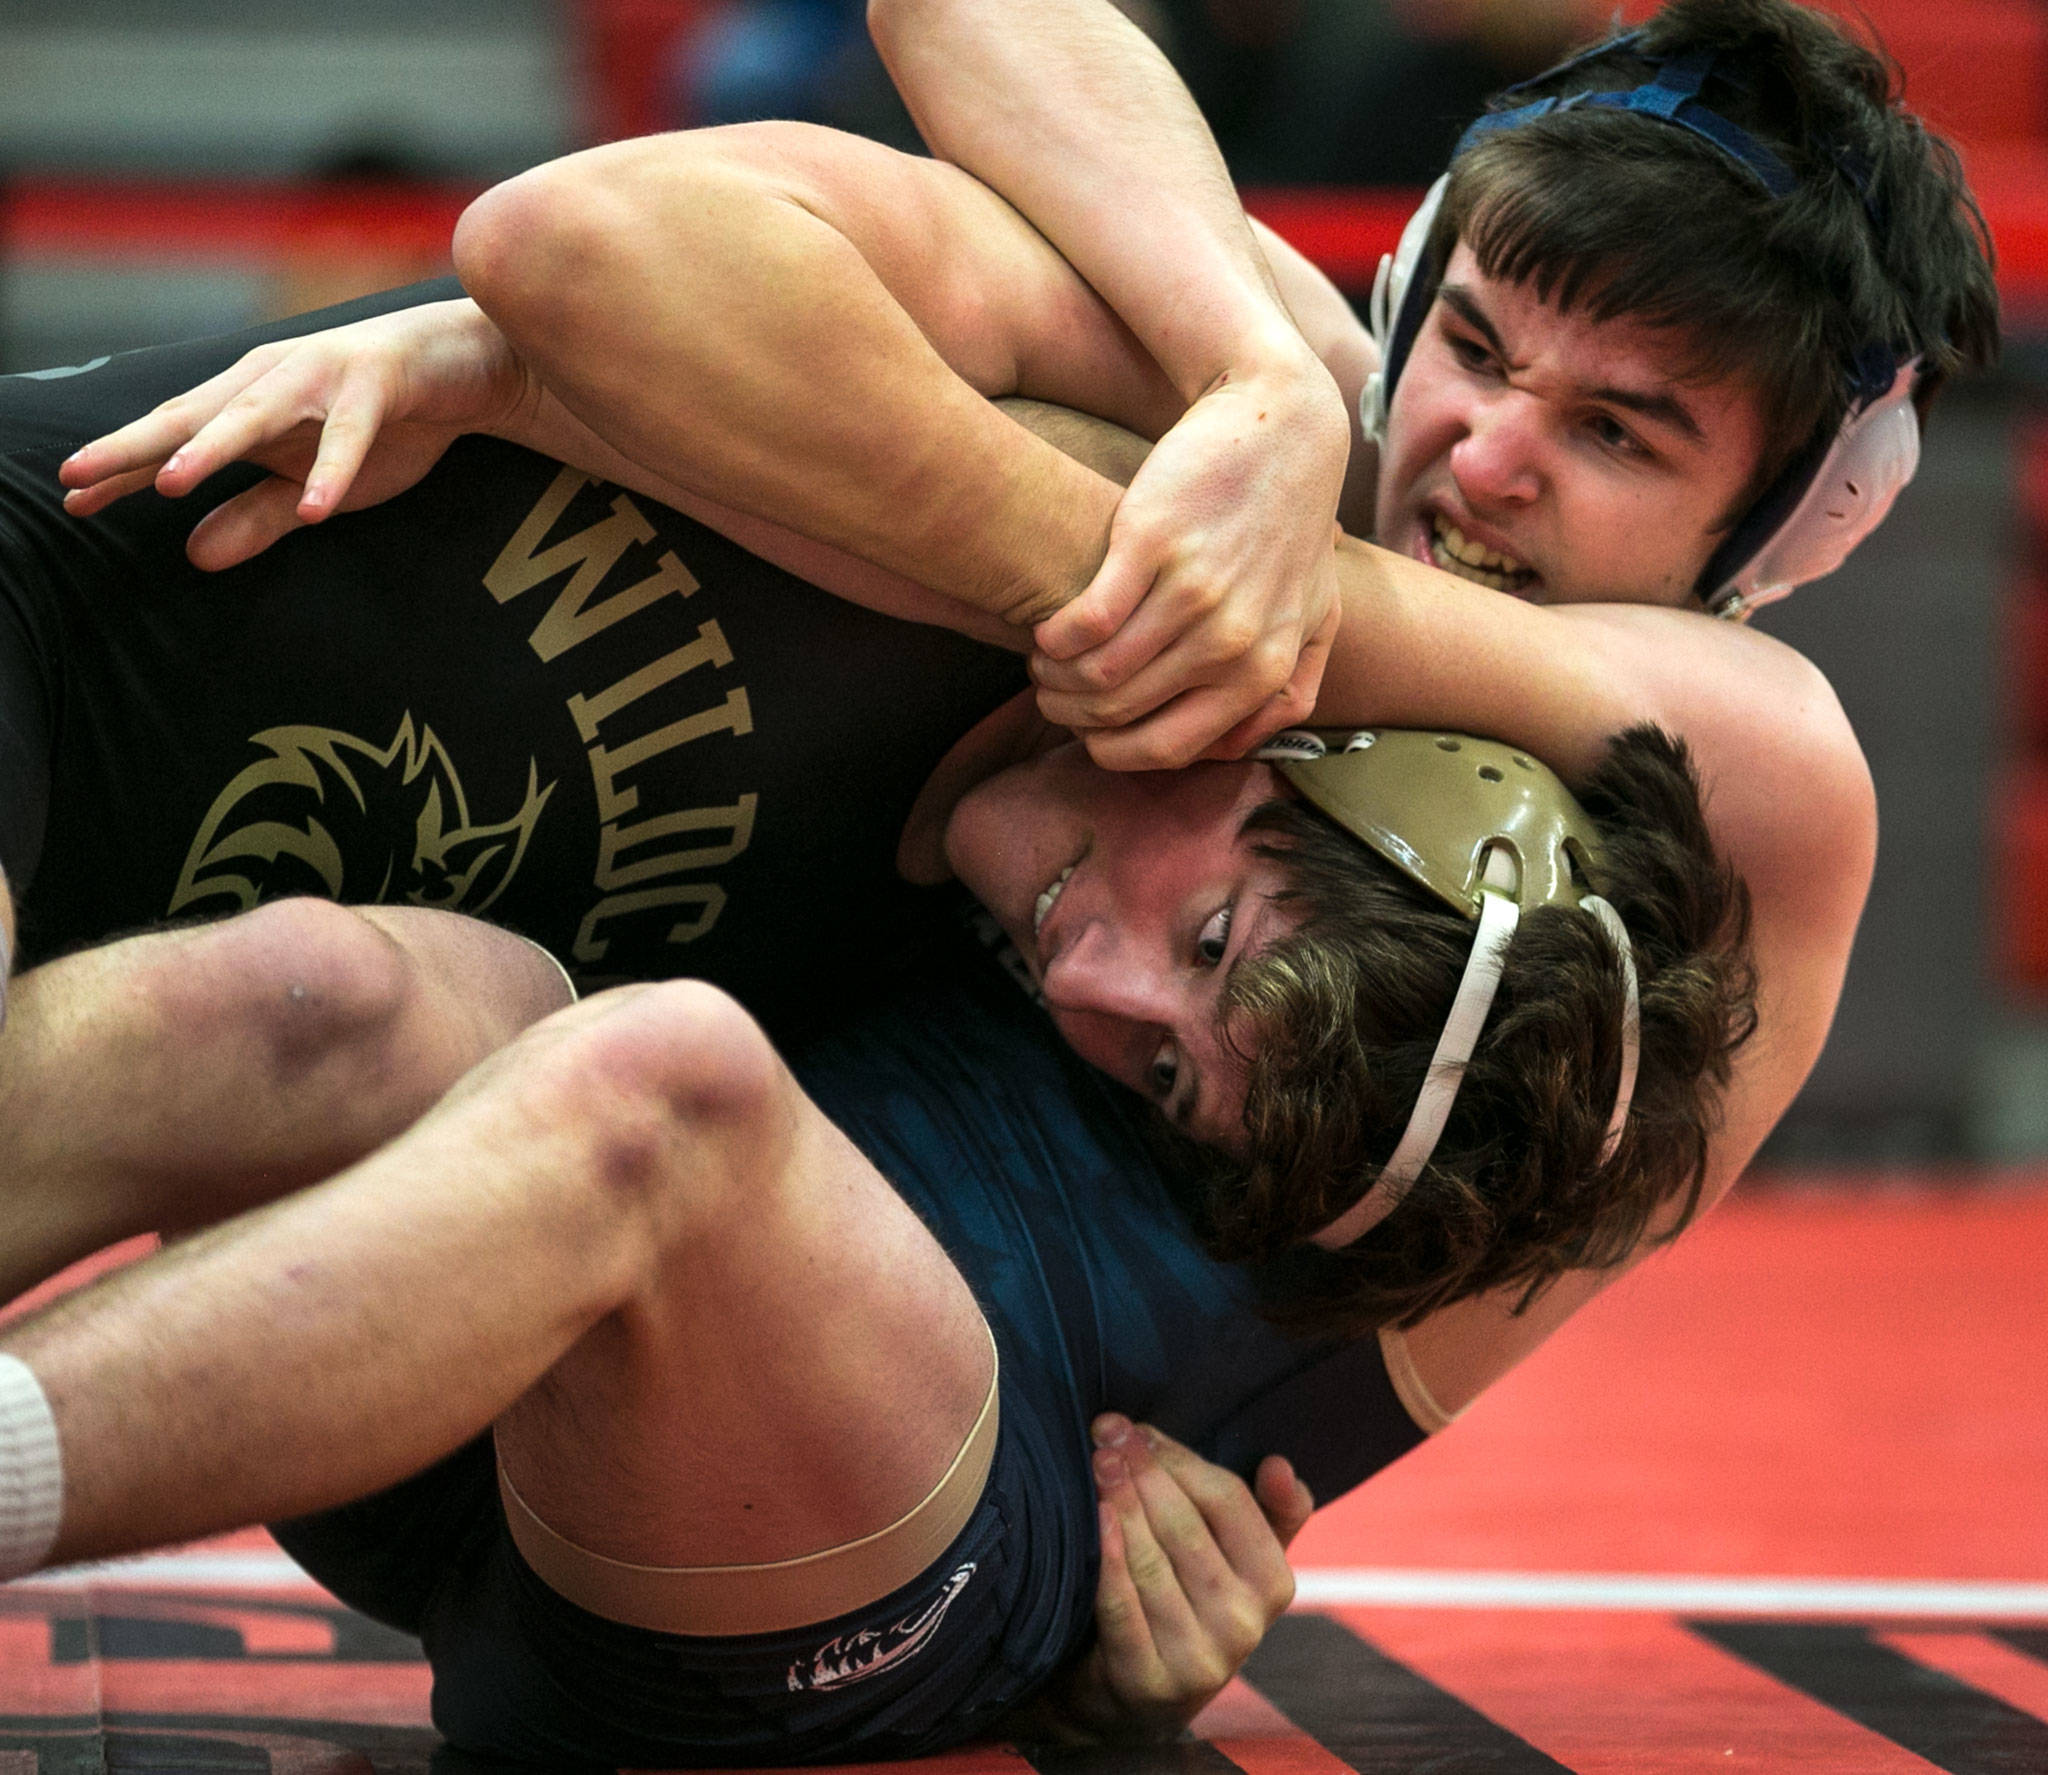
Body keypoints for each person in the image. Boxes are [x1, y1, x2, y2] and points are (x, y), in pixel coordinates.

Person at [0, 0, 1986, 1756]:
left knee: (656, 1081)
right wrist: (1266, 376)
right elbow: (695, 180)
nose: (1477, 460)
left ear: (1772, 537)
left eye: (1621, 433)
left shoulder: (1757, 782)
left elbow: (1209, 595)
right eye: (1464, 346)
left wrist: (594, 388)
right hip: (579, 1356)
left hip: (940, 1509)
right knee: (340, 1004)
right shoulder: (1301, 430)